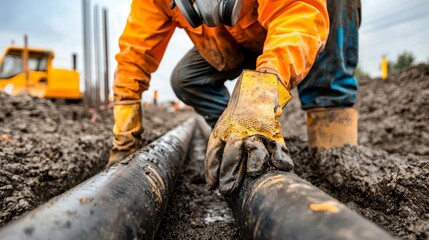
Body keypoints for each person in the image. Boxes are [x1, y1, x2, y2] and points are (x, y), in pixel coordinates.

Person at [108, 0, 359, 195]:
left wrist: (264, 87)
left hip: (290, 27)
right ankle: (240, 138)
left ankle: (334, 157)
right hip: (234, 40)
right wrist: (125, 140)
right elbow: (134, 55)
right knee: (185, 78)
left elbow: (296, 12)